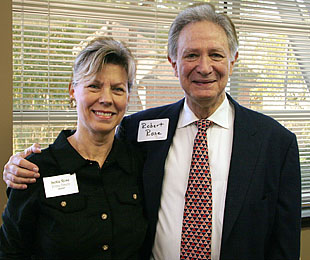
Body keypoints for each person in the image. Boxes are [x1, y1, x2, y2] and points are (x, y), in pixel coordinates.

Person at [3, 3, 301, 260]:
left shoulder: (276, 144)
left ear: (233, 61)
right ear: (173, 63)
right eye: (191, 55)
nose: (204, 67)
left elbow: (284, 245)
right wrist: (19, 165)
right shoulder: (137, 131)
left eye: (216, 55)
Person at [0, 36, 147, 259]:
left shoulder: (140, 165)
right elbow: (10, 252)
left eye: (118, 89)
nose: (106, 99)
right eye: (94, 86)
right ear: (72, 91)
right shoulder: (35, 171)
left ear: (127, 97)